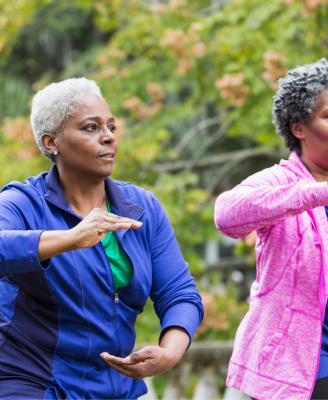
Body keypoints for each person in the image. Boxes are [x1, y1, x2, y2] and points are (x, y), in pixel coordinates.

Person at [0, 78, 204, 399]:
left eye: (111, 126)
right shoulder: (22, 202)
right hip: (31, 381)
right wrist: (70, 238)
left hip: (114, 386)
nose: (108, 137)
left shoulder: (141, 207)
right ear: (52, 142)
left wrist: (170, 352)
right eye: (91, 128)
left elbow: (179, 293)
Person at [214, 59, 328, 400]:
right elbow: (227, 216)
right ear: (298, 127)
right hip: (296, 363)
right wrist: (322, 192)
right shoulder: (281, 182)